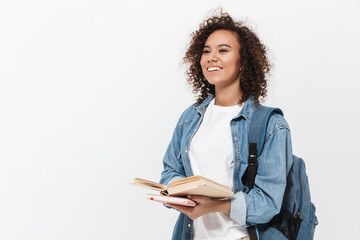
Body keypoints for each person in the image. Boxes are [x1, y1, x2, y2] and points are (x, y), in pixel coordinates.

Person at [159, 10, 293, 240]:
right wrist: (178, 192)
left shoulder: (272, 124)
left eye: (223, 50)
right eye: (206, 51)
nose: (212, 57)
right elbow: (170, 171)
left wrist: (215, 204)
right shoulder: (191, 118)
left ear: (243, 62)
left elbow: (269, 203)